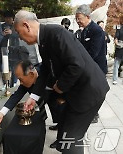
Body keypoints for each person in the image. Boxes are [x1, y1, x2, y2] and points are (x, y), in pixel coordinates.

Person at [14, 10, 110, 154]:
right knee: (65, 136)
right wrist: (33, 97)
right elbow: (46, 69)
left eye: (18, 32)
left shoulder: (57, 33)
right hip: (76, 93)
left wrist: (59, 86)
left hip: (88, 92)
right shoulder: (43, 41)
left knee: (71, 139)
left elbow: (76, 65)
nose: (20, 38)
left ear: (26, 25)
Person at [0, 60, 47, 153]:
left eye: (21, 79)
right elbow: (16, 95)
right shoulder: (27, 81)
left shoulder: (48, 74)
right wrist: (1, 113)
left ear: (31, 75)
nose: (20, 83)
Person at [76, 5, 108, 123]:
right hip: (89, 67)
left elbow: (93, 53)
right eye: (76, 18)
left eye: (79, 18)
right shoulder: (85, 30)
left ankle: (94, 114)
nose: (77, 21)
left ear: (87, 16)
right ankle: (90, 112)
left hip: (97, 68)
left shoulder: (97, 30)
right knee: (88, 92)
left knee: (96, 92)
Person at [0, 10, 20, 88]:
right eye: (6, 18)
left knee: (15, 67)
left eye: (9, 18)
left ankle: (14, 83)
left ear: (12, 18)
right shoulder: (1, 26)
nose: (8, 20)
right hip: (4, 49)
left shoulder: (16, 26)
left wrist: (12, 33)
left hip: (14, 50)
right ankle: (5, 84)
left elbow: (20, 36)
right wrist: (2, 34)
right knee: (3, 66)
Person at [112, 15, 123, 85]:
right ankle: (115, 79)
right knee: (116, 64)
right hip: (120, 47)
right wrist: (117, 44)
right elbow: (116, 38)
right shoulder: (119, 28)